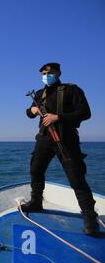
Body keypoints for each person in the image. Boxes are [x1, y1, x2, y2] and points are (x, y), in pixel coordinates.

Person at [22, 62, 99, 235]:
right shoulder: (40, 93)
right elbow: (28, 113)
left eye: (48, 72)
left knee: (76, 177)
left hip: (66, 140)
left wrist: (58, 117)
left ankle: (89, 216)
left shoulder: (72, 90)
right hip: (43, 139)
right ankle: (36, 202)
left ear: (57, 73)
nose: (45, 75)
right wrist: (32, 110)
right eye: (43, 73)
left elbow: (85, 113)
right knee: (35, 170)